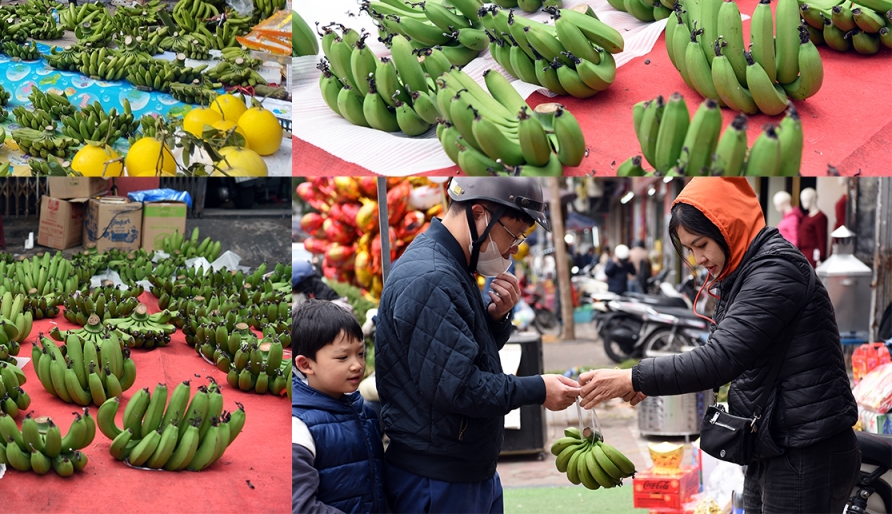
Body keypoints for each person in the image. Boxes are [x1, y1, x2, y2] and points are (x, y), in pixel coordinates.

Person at [578, 177, 860, 513]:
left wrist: (632, 377)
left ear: (728, 227)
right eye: (690, 250)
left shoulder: (776, 270)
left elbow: (720, 358)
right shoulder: (744, 270)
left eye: (701, 244)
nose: (698, 259)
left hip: (807, 449)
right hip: (773, 441)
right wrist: (648, 383)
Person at [375, 177, 581, 514]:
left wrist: (495, 319)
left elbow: (455, 352)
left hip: (464, 471)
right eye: (513, 236)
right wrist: (538, 389)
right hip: (438, 482)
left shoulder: (451, 264)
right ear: (480, 213)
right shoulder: (432, 277)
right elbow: (461, 388)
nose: (514, 250)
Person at [292, 299, 386, 514]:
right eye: (343, 357)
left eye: (361, 353)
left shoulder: (363, 410)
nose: (357, 365)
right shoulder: (299, 427)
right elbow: (301, 506)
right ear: (305, 364)